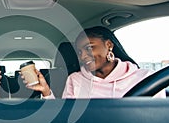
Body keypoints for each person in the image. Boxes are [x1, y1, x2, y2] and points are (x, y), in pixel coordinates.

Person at [22, 26, 165, 98]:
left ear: (108, 45)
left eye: (89, 48)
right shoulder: (75, 79)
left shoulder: (146, 78)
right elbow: (64, 117)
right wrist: (46, 91)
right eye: (79, 52)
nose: (83, 56)